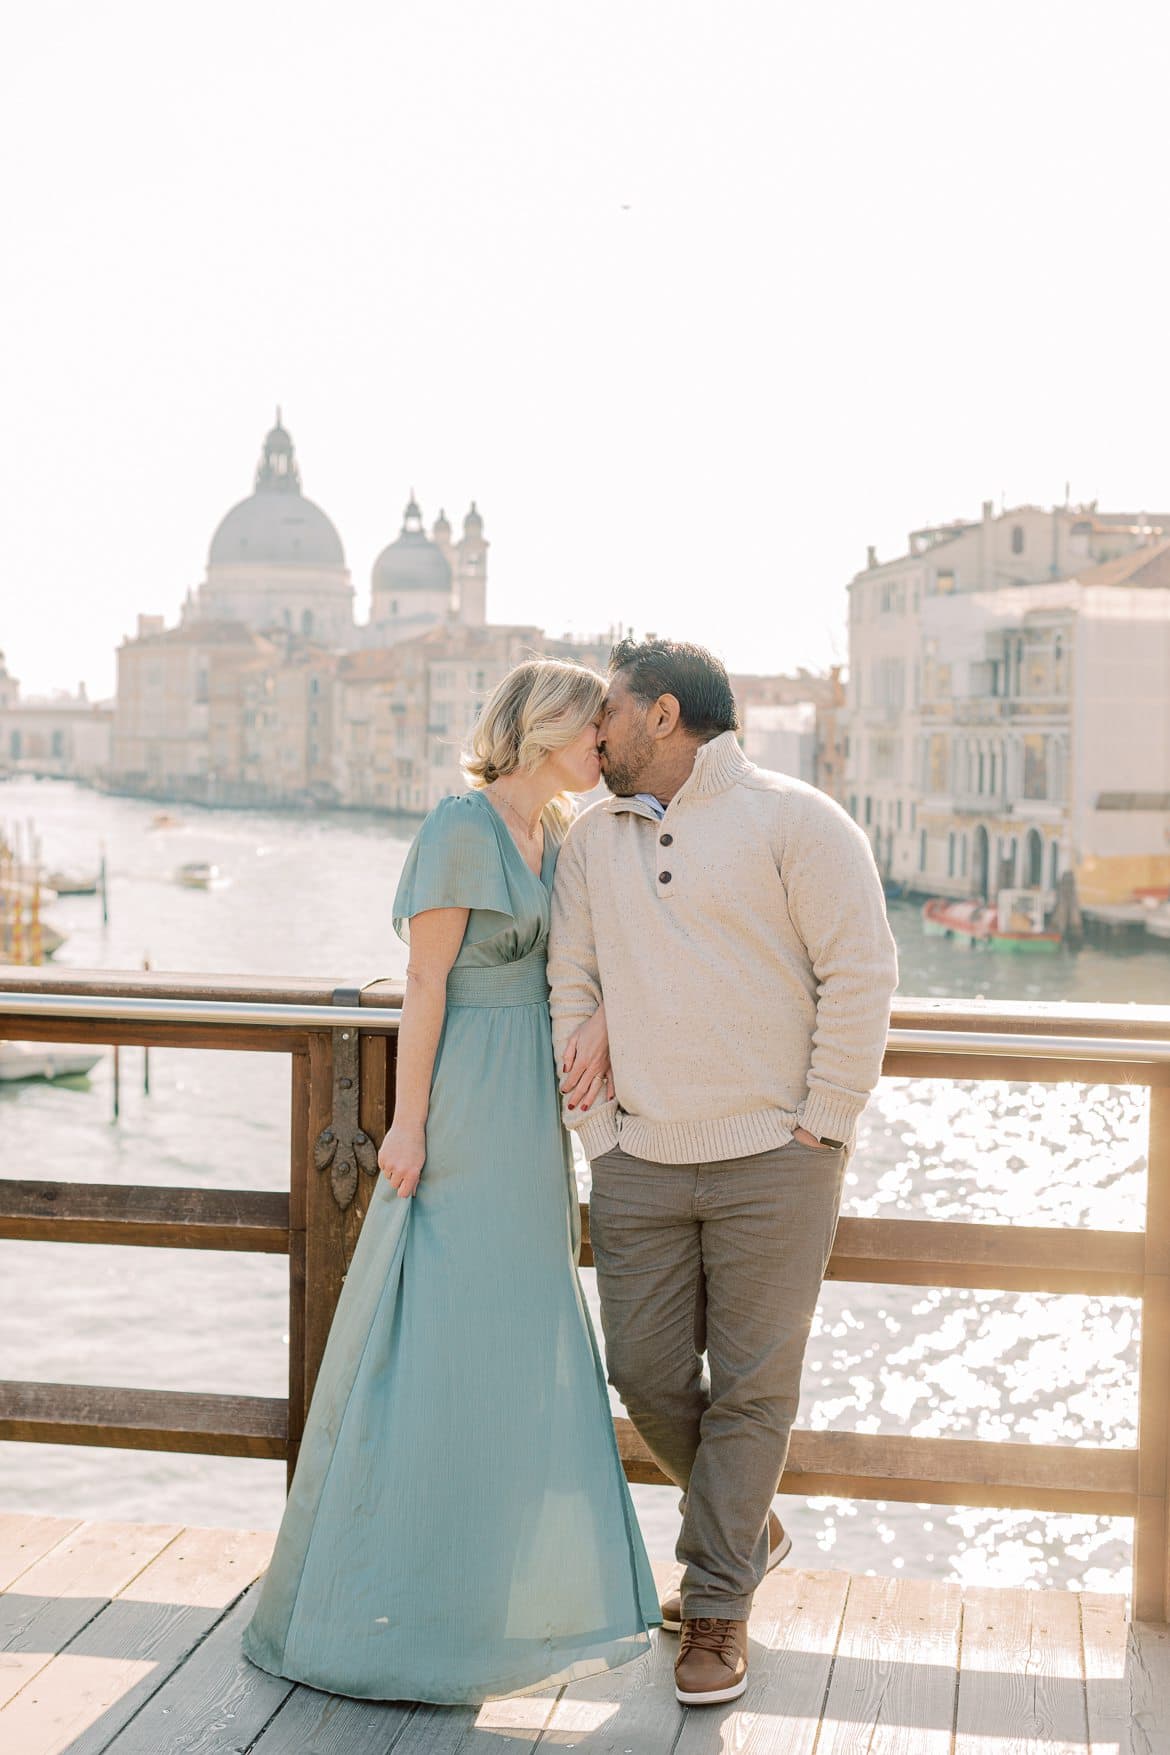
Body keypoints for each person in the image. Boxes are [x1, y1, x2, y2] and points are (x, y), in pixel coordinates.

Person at [242, 658, 660, 1705]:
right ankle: (402, 1597)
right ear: (545, 729)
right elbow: (425, 985)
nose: (603, 743)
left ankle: (492, 1593)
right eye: (590, 729)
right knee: (442, 1332)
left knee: (520, 1332)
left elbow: (598, 954)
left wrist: (605, 1016)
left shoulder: (557, 833)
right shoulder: (459, 829)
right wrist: (408, 1126)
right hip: (466, 1102)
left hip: (529, 1110)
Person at [549, 637, 898, 1707]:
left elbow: (861, 972)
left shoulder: (799, 819)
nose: (589, 731)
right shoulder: (592, 840)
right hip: (641, 1159)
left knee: (753, 1388)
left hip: (778, 1163)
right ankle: (747, 1527)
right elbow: (573, 980)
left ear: (662, 715)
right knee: (643, 1374)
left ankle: (715, 1607)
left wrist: (823, 1126)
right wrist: (601, 1135)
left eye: (604, 710)